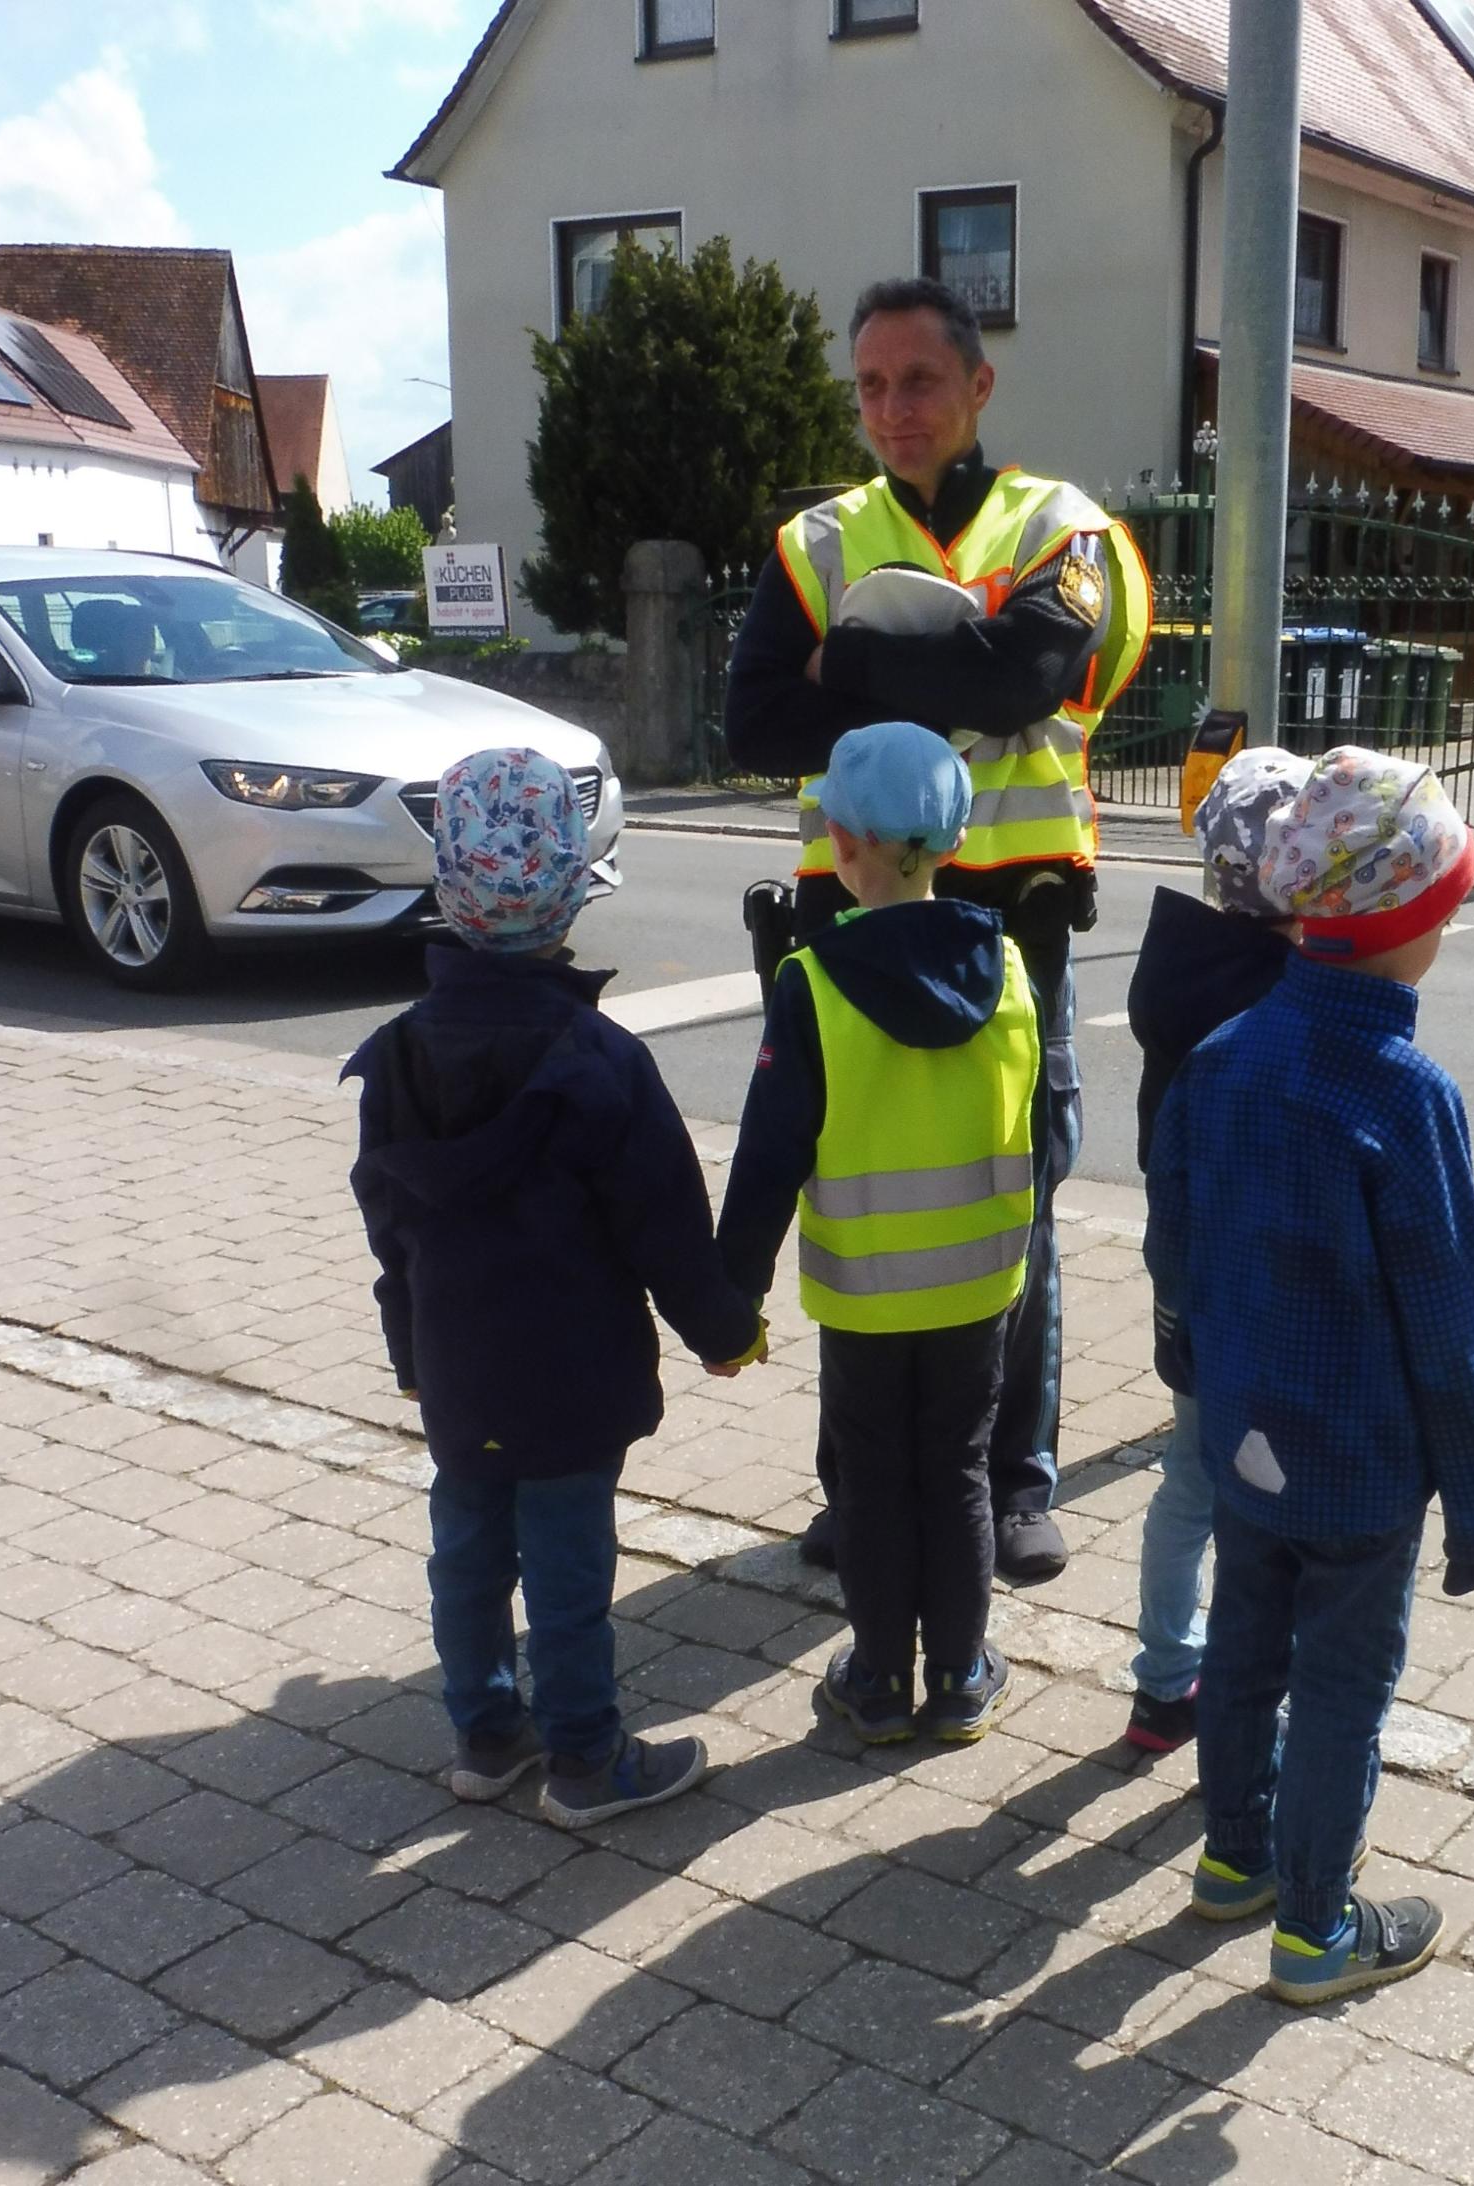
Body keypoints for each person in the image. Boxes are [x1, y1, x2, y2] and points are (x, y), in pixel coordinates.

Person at [723, 274, 1150, 1585]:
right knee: (855, 1205)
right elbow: (749, 727)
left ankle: (1011, 1481)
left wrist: (841, 670)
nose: (890, 408)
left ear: (977, 385)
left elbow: (1027, 671)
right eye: (868, 385)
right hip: (843, 935)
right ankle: (858, 1488)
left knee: (1008, 1207)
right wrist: (949, 681)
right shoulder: (815, 541)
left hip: (1008, 933)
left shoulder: (1066, 530)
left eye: (916, 380)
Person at [1145, 747, 1474, 2006]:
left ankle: (1231, 1855)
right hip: (1361, 1464)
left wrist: (1200, 1372)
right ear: (1409, 922)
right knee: (1341, 1687)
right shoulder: (1407, 1092)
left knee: (1249, 1644)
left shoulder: (1224, 1055)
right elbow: (1452, 1319)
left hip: (1246, 1434)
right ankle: (1317, 1924)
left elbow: (1177, 1245)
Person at [344, 749, 765, 1827]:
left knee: (469, 1548)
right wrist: (724, 1328)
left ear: (449, 890)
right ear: (575, 888)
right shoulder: (599, 1061)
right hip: (573, 1376)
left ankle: (487, 1734)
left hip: (457, 1363)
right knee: (569, 1567)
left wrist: (407, 1350)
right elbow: (663, 1224)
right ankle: (587, 1756)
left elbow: (391, 1228)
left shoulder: (395, 1058)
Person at [718, 722, 1040, 1744]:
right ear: (950, 841)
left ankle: (873, 1675)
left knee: (872, 1476)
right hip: (978, 1289)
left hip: (862, 1293)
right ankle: (957, 1675)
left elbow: (770, 1155)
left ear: (842, 846)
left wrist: (733, 1295)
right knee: (957, 1468)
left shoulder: (812, 985)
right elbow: (1041, 1122)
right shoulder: (1014, 971)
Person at [1122, 748, 1312, 1755]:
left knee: (1188, 1476)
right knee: (1261, 1492)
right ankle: (1250, 1702)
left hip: (1182, 1261)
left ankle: (1162, 1681)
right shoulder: (1282, 998)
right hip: (1262, 1281)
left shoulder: (1180, 964)